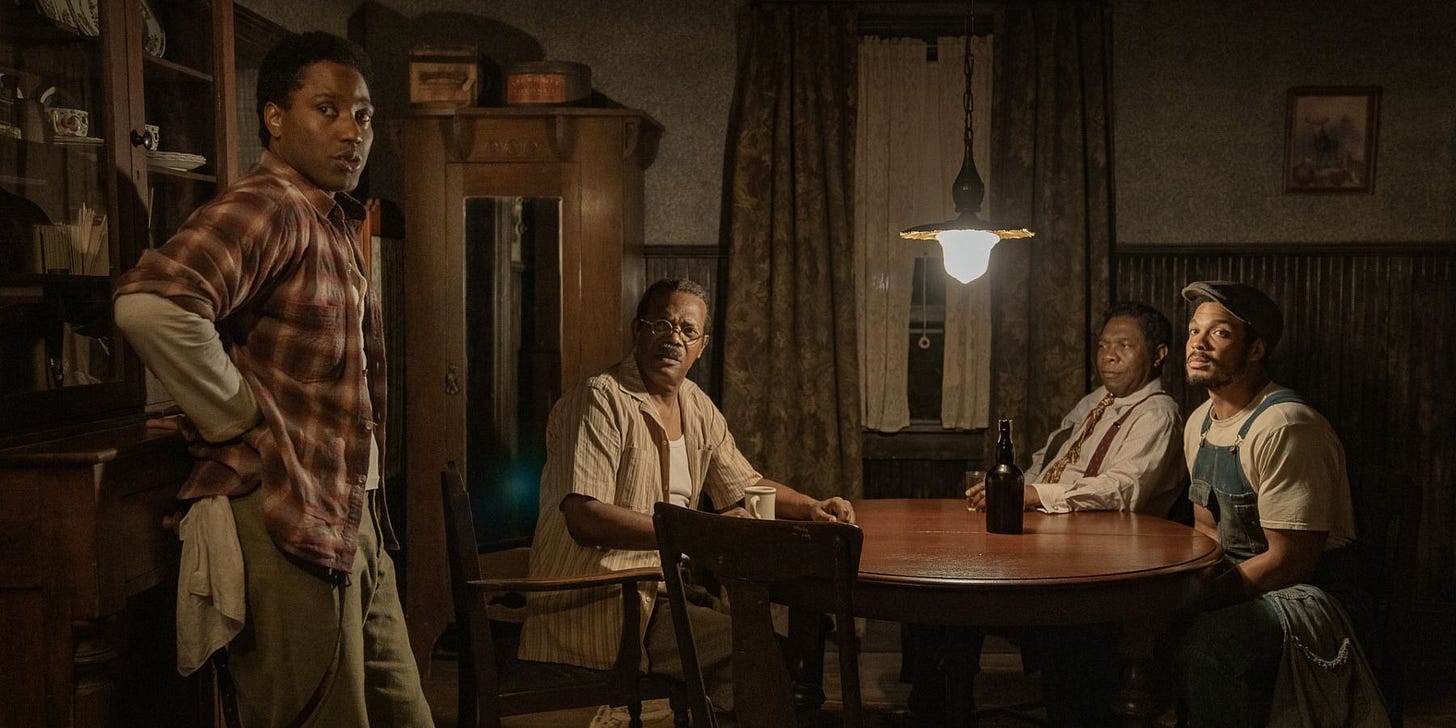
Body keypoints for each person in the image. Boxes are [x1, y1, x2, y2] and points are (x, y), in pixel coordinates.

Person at [113, 32, 434, 727]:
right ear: (275, 118)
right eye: (328, 109)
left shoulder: (328, 218)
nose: (353, 131)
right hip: (286, 511)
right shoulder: (270, 206)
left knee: (402, 711)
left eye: (364, 116)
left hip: (350, 510)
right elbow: (151, 305)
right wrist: (234, 416)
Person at [517, 278, 856, 715]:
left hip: (663, 594)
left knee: (773, 650)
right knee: (756, 656)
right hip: (603, 602)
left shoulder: (695, 404)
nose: (673, 338)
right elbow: (585, 518)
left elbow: (745, 484)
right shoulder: (599, 400)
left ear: (701, 345)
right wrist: (699, 534)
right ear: (638, 331)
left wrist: (811, 507)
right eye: (661, 324)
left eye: (687, 330)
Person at [907, 302, 1186, 726]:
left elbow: (1123, 489)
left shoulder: (1158, 413)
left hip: (1101, 560)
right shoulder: (1098, 400)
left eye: (1124, 346)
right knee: (938, 583)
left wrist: (1035, 494)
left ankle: (957, 699)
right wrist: (1011, 490)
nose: (1108, 356)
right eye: (1104, 345)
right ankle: (937, 705)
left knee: (984, 604)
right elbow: (1048, 458)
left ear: (1159, 355)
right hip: (1051, 540)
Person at [1174, 281, 1386, 727]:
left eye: (1220, 333)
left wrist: (1199, 598)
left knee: (1211, 642)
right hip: (1245, 580)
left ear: (1256, 350)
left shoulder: (1286, 425)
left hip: (1315, 596)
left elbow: (1291, 563)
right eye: (1194, 331)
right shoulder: (1199, 423)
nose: (1198, 343)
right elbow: (1207, 531)